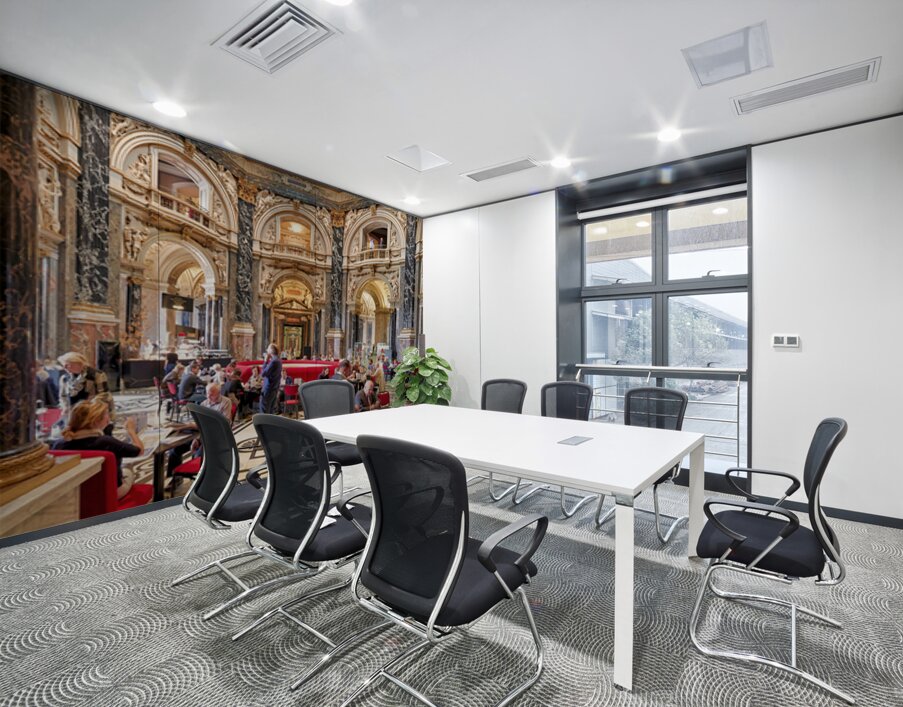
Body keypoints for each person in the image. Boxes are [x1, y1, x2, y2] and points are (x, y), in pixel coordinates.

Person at [52, 398, 144, 500]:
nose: (108, 419)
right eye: (106, 415)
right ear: (96, 421)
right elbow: (139, 450)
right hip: (108, 493)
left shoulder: (58, 445)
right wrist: (131, 430)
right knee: (127, 471)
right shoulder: (105, 442)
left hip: (74, 495)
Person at [58, 352, 113, 425]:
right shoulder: (65, 378)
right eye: (63, 365)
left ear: (78, 363)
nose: (65, 368)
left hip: (93, 412)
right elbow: (63, 396)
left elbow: (104, 394)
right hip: (73, 414)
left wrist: (87, 407)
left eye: (68, 365)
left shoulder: (97, 375)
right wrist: (65, 406)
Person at [259, 343, 282, 414]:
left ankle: (264, 425)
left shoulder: (273, 362)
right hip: (274, 388)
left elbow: (263, 374)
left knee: (264, 411)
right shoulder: (278, 360)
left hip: (268, 389)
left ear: (271, 351)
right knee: (270, 411)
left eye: (268, 349)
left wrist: (265, 361)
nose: (266, 350)